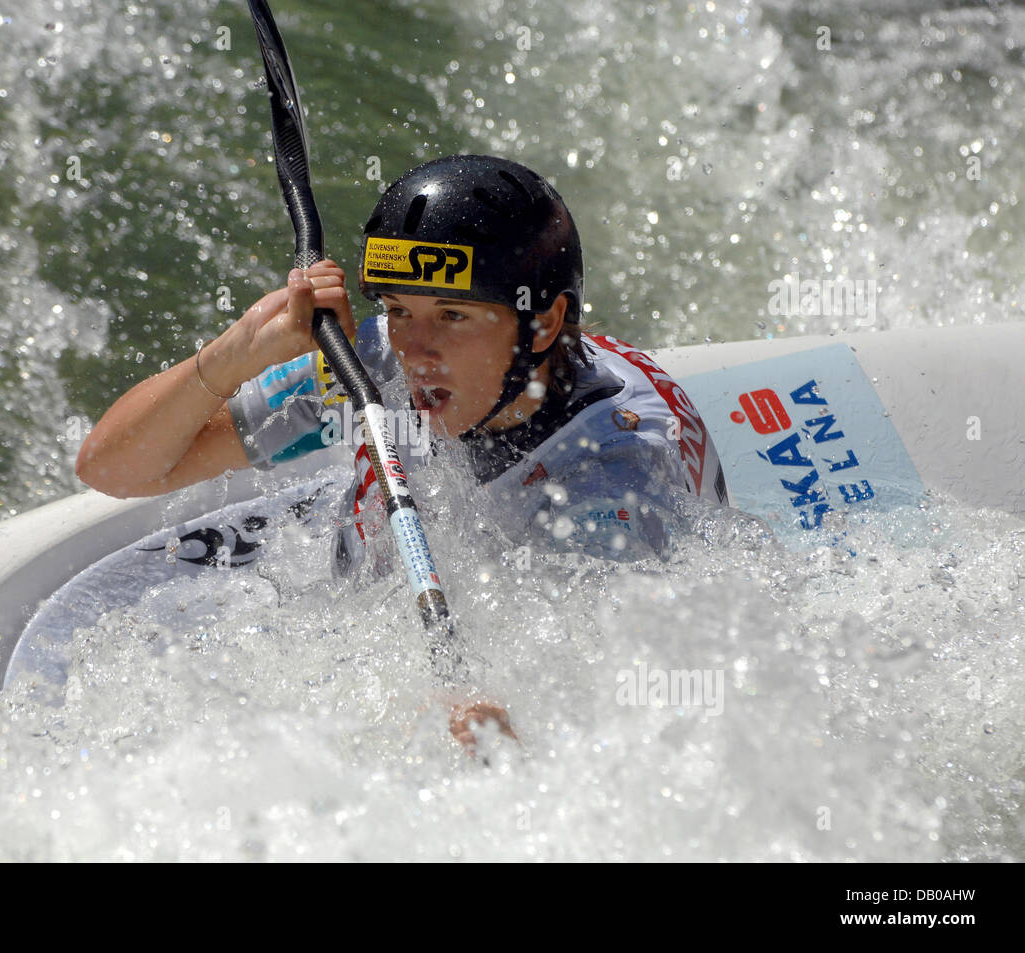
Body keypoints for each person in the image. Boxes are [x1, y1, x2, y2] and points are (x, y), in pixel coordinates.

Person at [76, 155, 729, 749]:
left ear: (547, 322)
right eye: (396, 308)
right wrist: (234, 354)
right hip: (350, 614)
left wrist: (509, 725)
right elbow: (113, 468)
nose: (417, 352)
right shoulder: (380, 359)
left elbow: (615, 743)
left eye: (453, 316)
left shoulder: (609, 493)